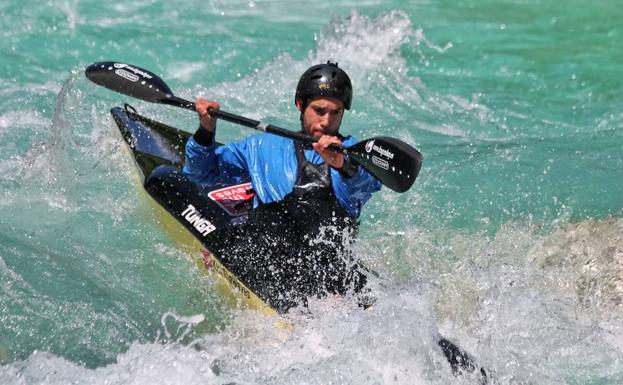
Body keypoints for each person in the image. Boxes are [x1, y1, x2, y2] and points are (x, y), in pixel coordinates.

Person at [182, 62, 381, 310]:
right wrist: (205, 130)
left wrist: (341, 164)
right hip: (271, 266)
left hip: (327, 274)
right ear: (300, 104)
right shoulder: (260, 147)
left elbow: (365, 186)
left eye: (336, 112)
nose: (326, 121)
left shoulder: (353, 155)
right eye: (319, 110)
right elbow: (201, 173)